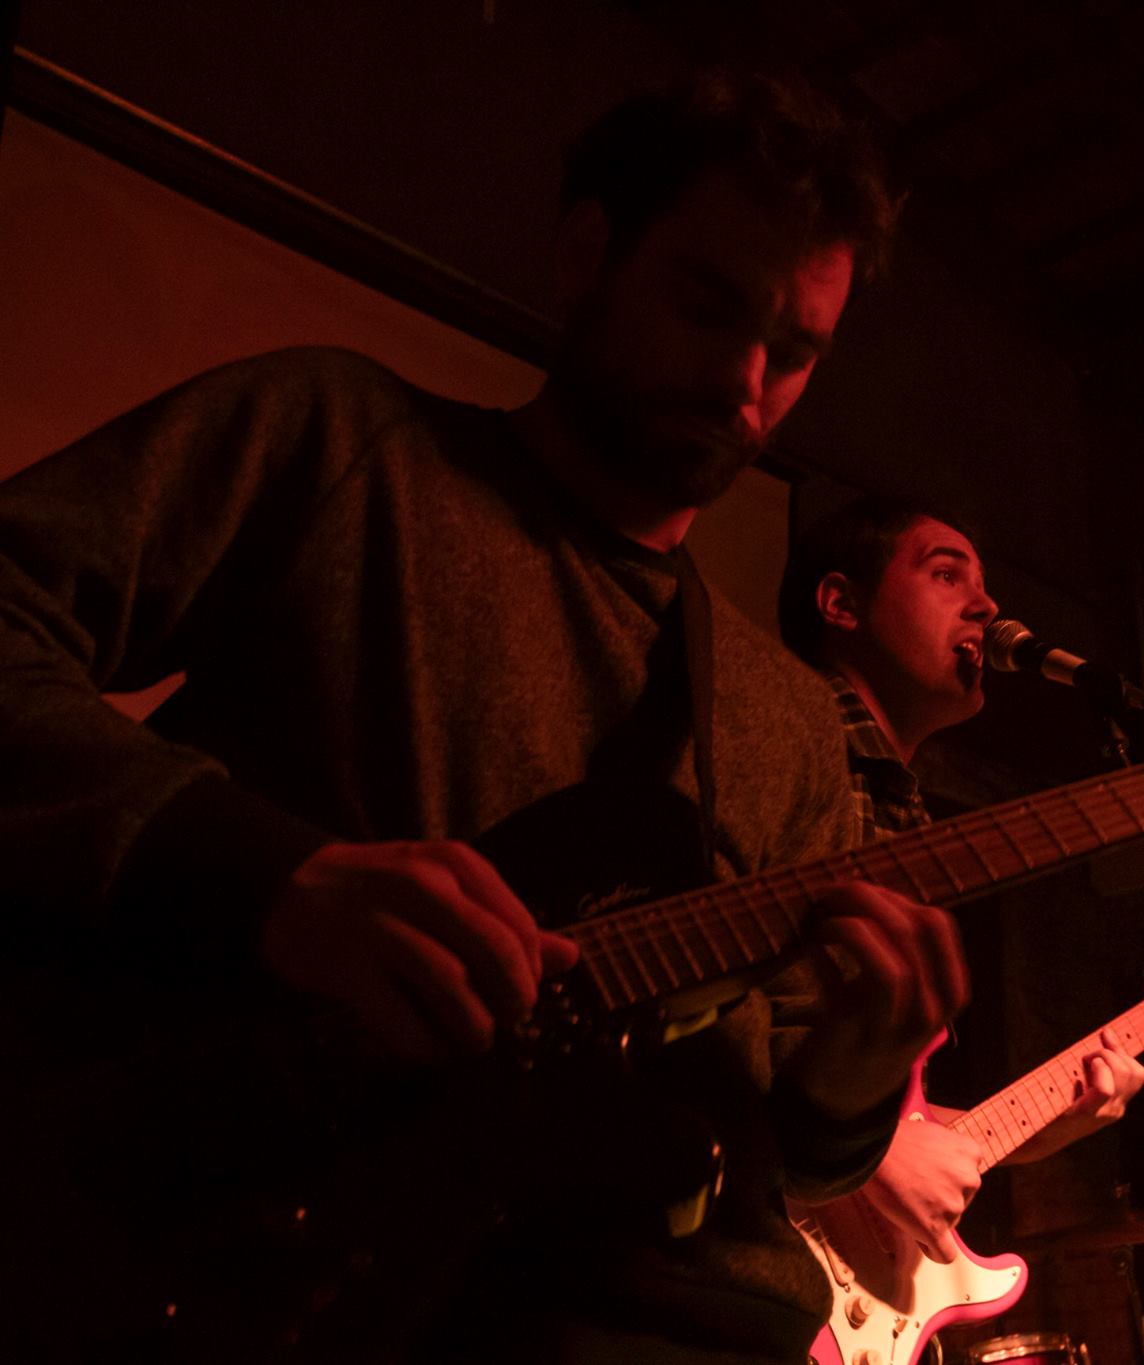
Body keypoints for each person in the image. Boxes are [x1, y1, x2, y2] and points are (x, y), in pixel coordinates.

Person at [0, 71, 967, 1363]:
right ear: (586, 254)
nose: (747, 384)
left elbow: (782, 1151)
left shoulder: (789, 720)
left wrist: (851, 1078)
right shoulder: (341, 446)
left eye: (794, 353)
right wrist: (270, 873)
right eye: (707, 306)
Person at [776, 496, 1144, 1265]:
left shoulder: (897, 804)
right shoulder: (776, 747)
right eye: (947, 575)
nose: (987, 607)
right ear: (841, 603)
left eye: (982, 584)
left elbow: (864, 1108)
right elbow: (715, 1019)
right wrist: (879, 1156)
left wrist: (1049, 1121)